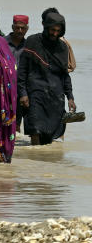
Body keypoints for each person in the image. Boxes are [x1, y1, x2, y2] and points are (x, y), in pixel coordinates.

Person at [18, 11, 79, 145]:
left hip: (55, 97)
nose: (55, 33)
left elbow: (65, 75)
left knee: (50, 139)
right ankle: (35, 162)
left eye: (58, 31)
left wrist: (70, 97)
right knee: (35, 131)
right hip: (35, 94)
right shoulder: (32, 41)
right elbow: (22, 70)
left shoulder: (63, 47)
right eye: (52, 30)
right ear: (45, 27)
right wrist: (23, 93)